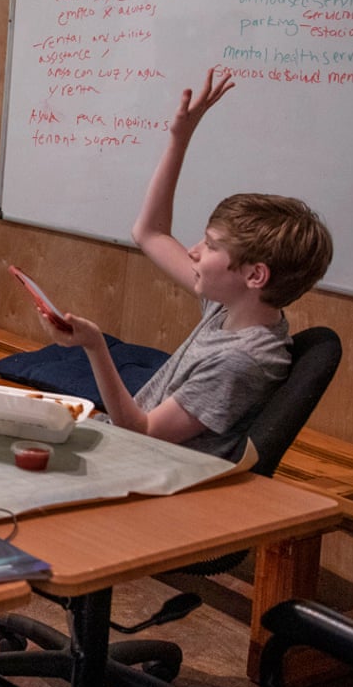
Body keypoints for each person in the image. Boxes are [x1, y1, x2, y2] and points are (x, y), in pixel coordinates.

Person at [38, 67, 333, 460]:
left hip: (141, 467)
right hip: (127, 450)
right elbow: (151, 233)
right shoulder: (231, 308)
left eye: (210, 246)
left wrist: (94, 346)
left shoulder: (240, 361)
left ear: (254, 275)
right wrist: (180, 137)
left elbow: (141, 431)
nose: (193, 251)